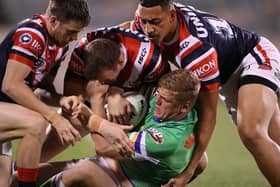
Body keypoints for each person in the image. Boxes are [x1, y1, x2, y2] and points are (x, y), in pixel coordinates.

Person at [120, 0, 280, 186]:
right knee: (272, 136)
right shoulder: (153, 16)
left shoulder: (195, 50)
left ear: (172, 16)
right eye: (143, 21)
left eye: (155, 22)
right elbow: (122, 32)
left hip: (253, 56)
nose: (148, 30)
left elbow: (208, 114)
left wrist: (189, 171)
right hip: (225, 72)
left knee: (251, 131)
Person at [40, 69, 207, 187]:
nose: (156, 102)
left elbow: (103, 147)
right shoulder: (184, 113)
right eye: (158, 95)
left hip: (124, 179)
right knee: (29, 173)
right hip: (118, 166)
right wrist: (115, 93)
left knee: (82, 172)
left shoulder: (166, 140)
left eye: (165, 100)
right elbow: (201, 162)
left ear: (184, 108)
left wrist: (97, 99)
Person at [38, 27, 170, 162]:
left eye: (107, 80)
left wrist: (115, 92)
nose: (100, 82)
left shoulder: (151, 59)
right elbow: (75, 100)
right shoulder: (81, 52)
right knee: (72, 119)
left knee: (131, 116)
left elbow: (164, 95)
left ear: (121, 61)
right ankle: (26, 166)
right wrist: (98, 97)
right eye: (95, 78)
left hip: (139, 94)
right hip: (93, 96)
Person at [0, 0, 91, 186]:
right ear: (53, 20)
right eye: (71, 31)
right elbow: (11, 86)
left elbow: (39, 87)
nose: (75, 38)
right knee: (35, 123)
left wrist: (63, 100)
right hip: (4, 106)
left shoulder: (59, 45)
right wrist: (54, 118)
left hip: (6, 112)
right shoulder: (33, 35)